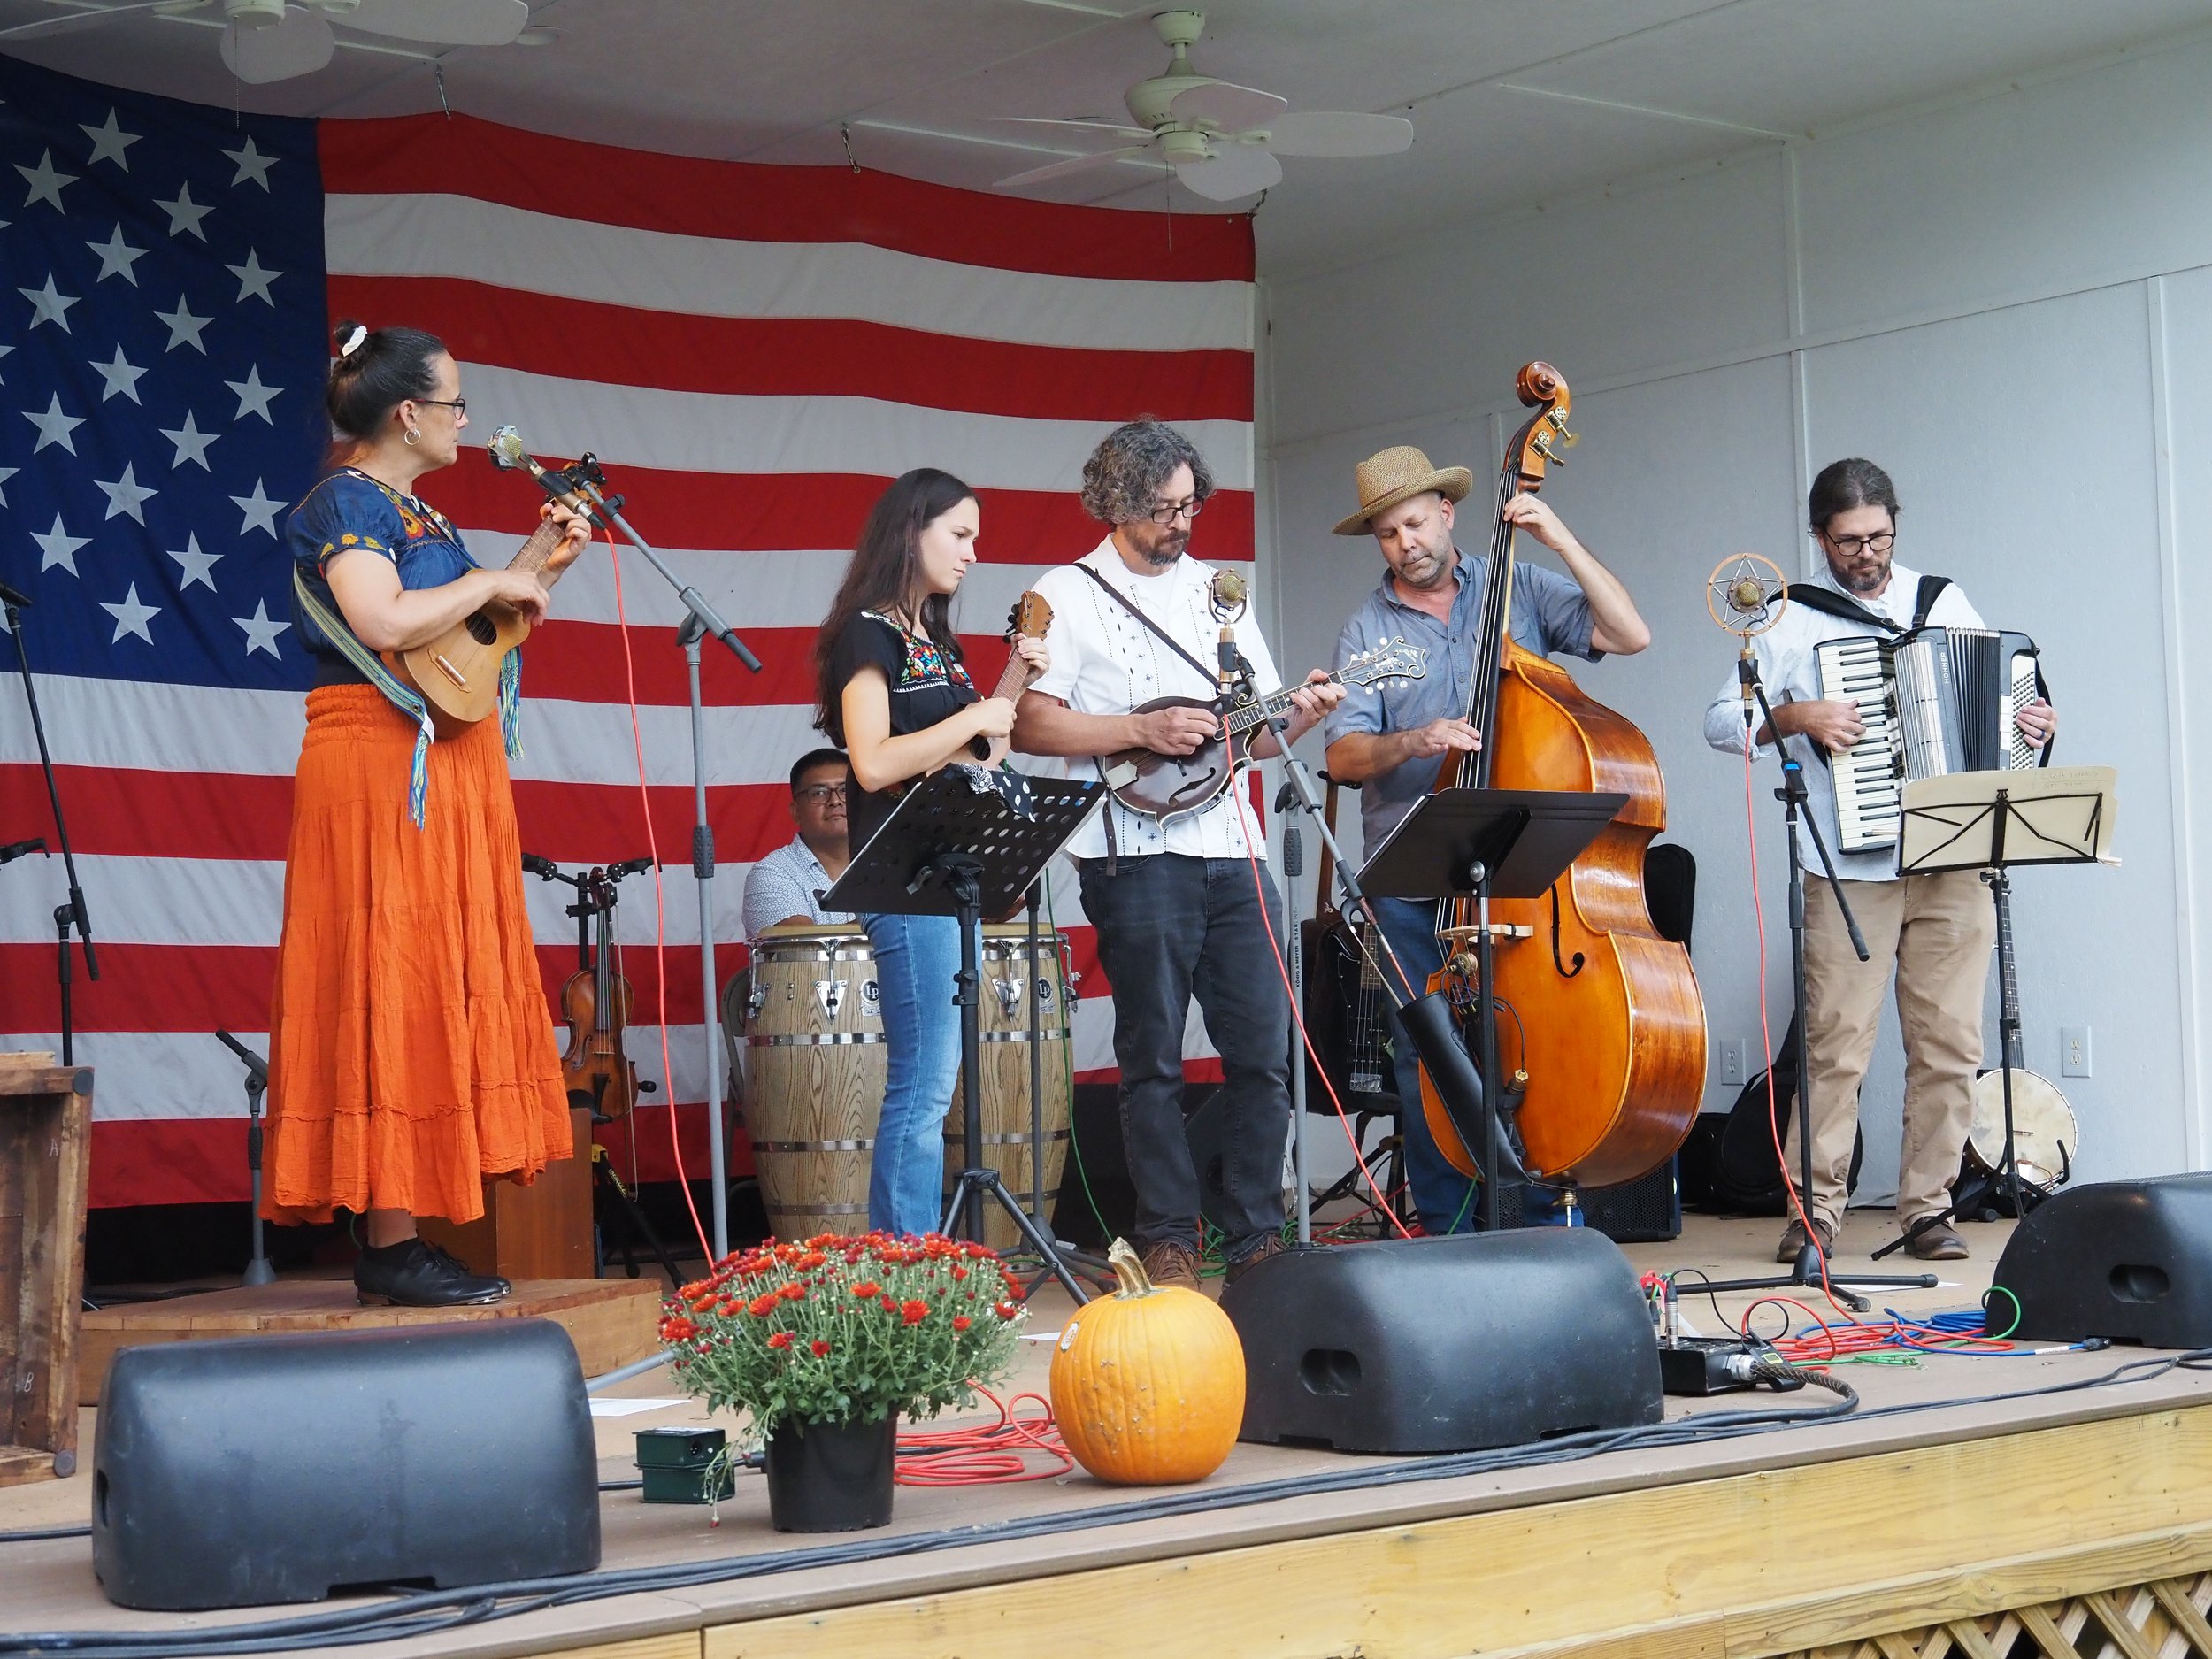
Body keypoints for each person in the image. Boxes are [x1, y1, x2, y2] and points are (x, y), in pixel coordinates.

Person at [265, 319, 594, 1308]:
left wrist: (538, 560)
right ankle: (390, 1236)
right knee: (389, 971)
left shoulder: (421, 513)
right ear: (408, 412)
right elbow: (381, 622)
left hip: (445, 758)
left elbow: (460, 642)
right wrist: (496, 576)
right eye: (453, 402)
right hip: (375, 759)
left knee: (442, 968)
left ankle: (410, 1225)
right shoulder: (345, 502)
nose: (464, 419)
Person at [1013, 419, 1343, 1291]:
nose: (1182, 523)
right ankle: (1167, 1235)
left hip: (1231, 847)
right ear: (1115, 503)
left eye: (1191, 504)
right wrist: (1136, 728)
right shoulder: (1067, 592)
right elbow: (1030, 719)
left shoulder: (1219, 593)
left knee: (1262, 1052)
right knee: (1152, 1054)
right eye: (1163, 509)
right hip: (1131, 856)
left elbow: (1255, 740)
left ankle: (1255, 1236)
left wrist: (1301, 713)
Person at [1701, 457, 2057, 1263]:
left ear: (1896, 523)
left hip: (1950, 855)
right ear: (1820, 537)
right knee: (1836, 1044)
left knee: (1950, 1044)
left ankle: (1926, 1209)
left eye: (1880, 537)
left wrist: (2032, 723)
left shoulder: (1943, 602)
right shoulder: (1790, 618)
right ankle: (1816, 1213)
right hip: (1849, 869)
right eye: (1849, 540)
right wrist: (1794, 714)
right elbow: (1721, 721)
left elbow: (2001, 697)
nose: (1866, 554)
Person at [1321, 446, 1654, 1235]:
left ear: (1447, 511)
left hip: (1519, 861)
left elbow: (1630, 633)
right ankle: (1447, 1232)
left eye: (1413, 522)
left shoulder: (1521, 585)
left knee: (1525, 1039)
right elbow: (1340, 755)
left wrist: (1559, 538)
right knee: (1427, 1054)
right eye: (1387, 532)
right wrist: (1415, 741)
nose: (1405, 542)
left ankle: (1539, 1224)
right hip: (1410, 866)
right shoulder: (1368, 628)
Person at [814, 468, 1048, 1238]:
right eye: (960, 534)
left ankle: (921, 1250)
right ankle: (905, 1259)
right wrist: (976, 713)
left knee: (937, 1085)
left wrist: (1009, 691)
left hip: (951, 879)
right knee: (920, 1087)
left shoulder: (938, 644)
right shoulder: (867, 632)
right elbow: (874, 762)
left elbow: (976, 758)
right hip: (902, 882)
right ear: (912, 532)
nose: (973, 553)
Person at [741, 748, 857, 941]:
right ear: (796, 812)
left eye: (845, 790)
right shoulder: (772, 873)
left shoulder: (889, 864)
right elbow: (803, 949)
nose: (835, 801)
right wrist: (890, 918)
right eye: (819, 793)